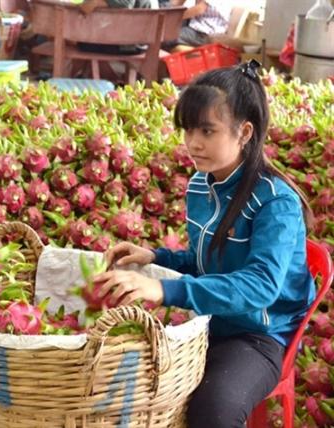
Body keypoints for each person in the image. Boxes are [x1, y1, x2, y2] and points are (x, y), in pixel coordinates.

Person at [93, 60, 315, 428]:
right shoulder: (201, 184)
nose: (193, 143)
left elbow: (260, 286)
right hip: (207, 322)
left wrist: (165, 289)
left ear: (244, 132)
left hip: (257, 335)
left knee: (214, 411)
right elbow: (208, 261)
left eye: (207, 131)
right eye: (188, 129)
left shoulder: (276, 202)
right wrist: (156, 257)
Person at [165, 0, 232, 49]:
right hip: (198, 23)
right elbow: (174, 4)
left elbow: (199, 9)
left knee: (165, 37)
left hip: (206, 32)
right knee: (161, 29)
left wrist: (172, 18)